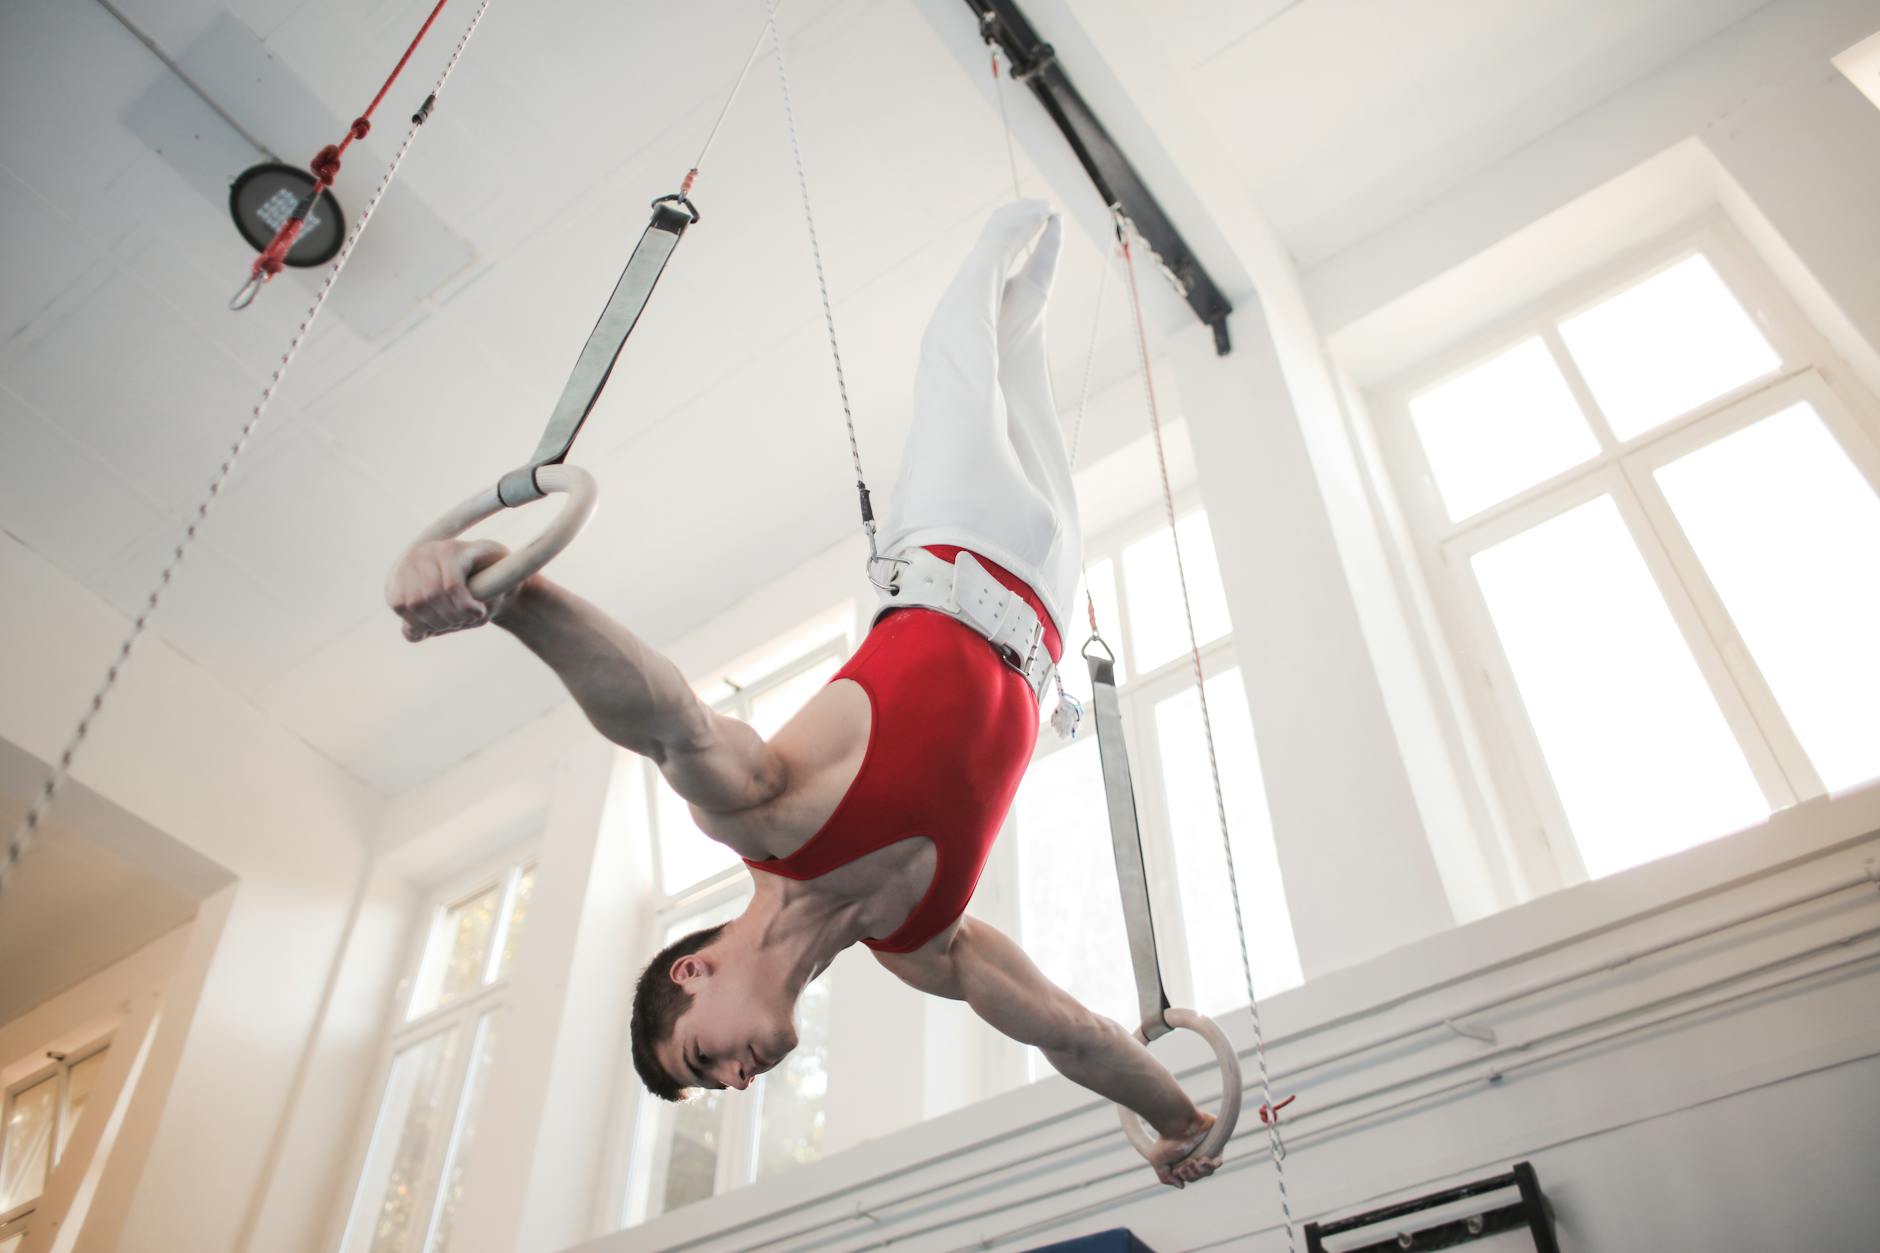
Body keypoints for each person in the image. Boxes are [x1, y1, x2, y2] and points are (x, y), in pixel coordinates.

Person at [386, 201, 1222, 1187]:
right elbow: (1074, 1035)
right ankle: (1045, 240)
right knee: (1027, 349)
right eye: (723, 1082)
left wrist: (509, 594)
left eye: (706, 1056)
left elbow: (658, 715)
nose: (739, 1081)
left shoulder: (762, 814)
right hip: (1045, 591)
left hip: (958, 531)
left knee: (965, 331)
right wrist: (1183, 1118)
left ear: (691, 972)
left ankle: (1029, 200)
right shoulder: (920, 947)